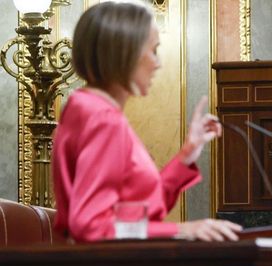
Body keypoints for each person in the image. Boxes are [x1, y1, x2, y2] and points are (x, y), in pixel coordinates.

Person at [54, 0, 241, 243]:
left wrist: (188, 152)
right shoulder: (103, 119)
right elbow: (92, 227)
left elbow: (139, 211)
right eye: (153, 50)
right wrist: (183, 230)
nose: (158, 63)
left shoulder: (85, 107)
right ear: (125, 52)